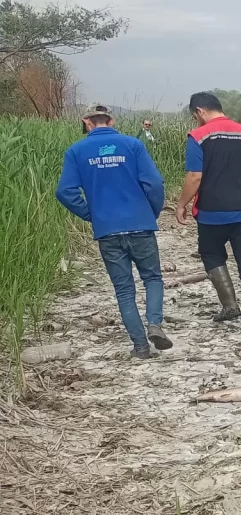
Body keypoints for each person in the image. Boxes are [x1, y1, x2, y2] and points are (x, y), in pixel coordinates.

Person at [56, 104, 173, 359]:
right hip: (140, 224)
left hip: (107, 229)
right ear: (111, 121)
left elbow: (65, 191)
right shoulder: (133, 145)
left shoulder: (76, 151)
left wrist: (90, 214)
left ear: (87, 122)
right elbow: (154, 183)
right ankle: (154, 323)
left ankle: (140, 347)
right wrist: (151, 211)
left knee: (124, 290)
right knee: (152, 278)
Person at [174, 92, 241, 331]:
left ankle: (229, 306)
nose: (196, 120)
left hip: (211, 213)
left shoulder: (198, 136)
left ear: (199, 111)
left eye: (195, 116)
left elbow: (195, 176)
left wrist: (181, 204)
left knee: (211, 254)